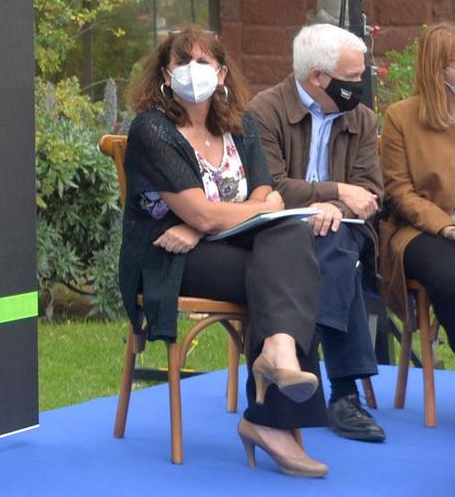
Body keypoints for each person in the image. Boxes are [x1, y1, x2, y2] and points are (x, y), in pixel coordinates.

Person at [120, 26, 330, 478]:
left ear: (222, 73)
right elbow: (209, 213)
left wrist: (206, 223)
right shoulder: (152, 131)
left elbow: (269, 200)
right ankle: (271, 411)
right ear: (165, 74)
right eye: (182, 63)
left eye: (204, 63)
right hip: (168, 258)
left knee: (287, 239)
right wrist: (204, 225)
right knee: (285, 266)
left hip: (223, 246)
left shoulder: (241, 125)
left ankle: (276, 356)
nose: (193, 72)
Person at [247, 22, 385, 442]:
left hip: (343, 227)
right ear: (318, 77)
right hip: (280, 229)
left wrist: (335, 208)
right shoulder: (263, 111)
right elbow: (271, 186)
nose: (360, 85)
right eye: (352, 77)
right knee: (326, 250)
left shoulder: (361, 118)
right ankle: (345, 394)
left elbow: (371, 192)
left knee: (336, 242)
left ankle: (295, 367)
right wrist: (334, 192)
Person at [378, 21, 455, 362]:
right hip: (420, 231)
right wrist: (445, 225)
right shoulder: (401, 118)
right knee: (450, 277)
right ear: (437, 71)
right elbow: (399, 191)